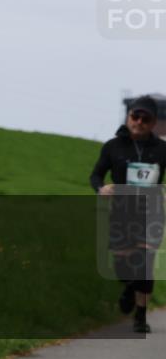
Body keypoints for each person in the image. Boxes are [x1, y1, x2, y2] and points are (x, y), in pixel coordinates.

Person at [90, 95, 165, 333]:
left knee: (145, 263)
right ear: (128, 116)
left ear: (153, 123)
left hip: (151, 211)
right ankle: (129, 288)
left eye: (146, 119)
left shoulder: (163, 149)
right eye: (135, 116)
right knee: (124, 266)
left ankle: (140, 317)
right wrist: (101, 188)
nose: (139, 122)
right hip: (122, 212)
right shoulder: (113, 147)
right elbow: (96, 175)